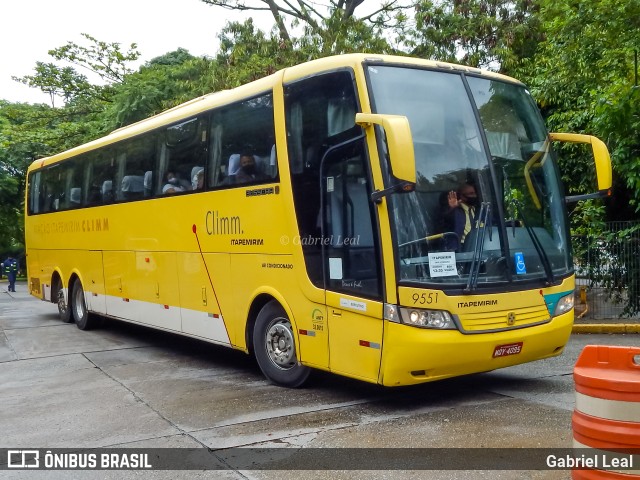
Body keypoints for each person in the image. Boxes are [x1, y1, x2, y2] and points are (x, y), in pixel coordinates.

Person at [445, 182, 479, 249]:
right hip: (461, 250)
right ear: (461, 196)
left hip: (479, 248)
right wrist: (452, 208)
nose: (474, 196)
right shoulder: (455, 211)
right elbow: (445, 221)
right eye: (471, 194)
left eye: (474, 193)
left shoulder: (479, 210)